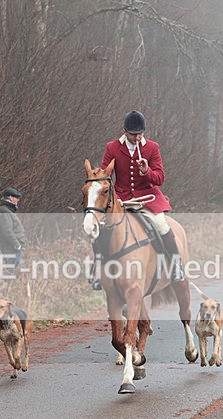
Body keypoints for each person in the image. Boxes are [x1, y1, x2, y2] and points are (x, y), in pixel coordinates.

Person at [89, 110, 183, 290]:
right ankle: (98, 270)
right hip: (121, 197)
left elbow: (160, 178)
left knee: (162, 225)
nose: (137, 137)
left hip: (146, 197)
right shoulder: (113, 147)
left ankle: (175, 266)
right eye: (134, 134)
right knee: (99, 228)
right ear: (125, 131)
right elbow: (105, 174)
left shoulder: (152, 148)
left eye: (140, 133)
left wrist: (146, 171)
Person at [0, 187, 27, 274]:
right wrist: (17, 245)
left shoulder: (8, 211)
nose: (18, 200)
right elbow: (7, 231)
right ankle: (5, 285)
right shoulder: (4, 211)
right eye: (16, 197)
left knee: (14, 271)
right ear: (10, 197)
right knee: (10, 272)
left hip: (13, 247)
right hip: (11, 247)